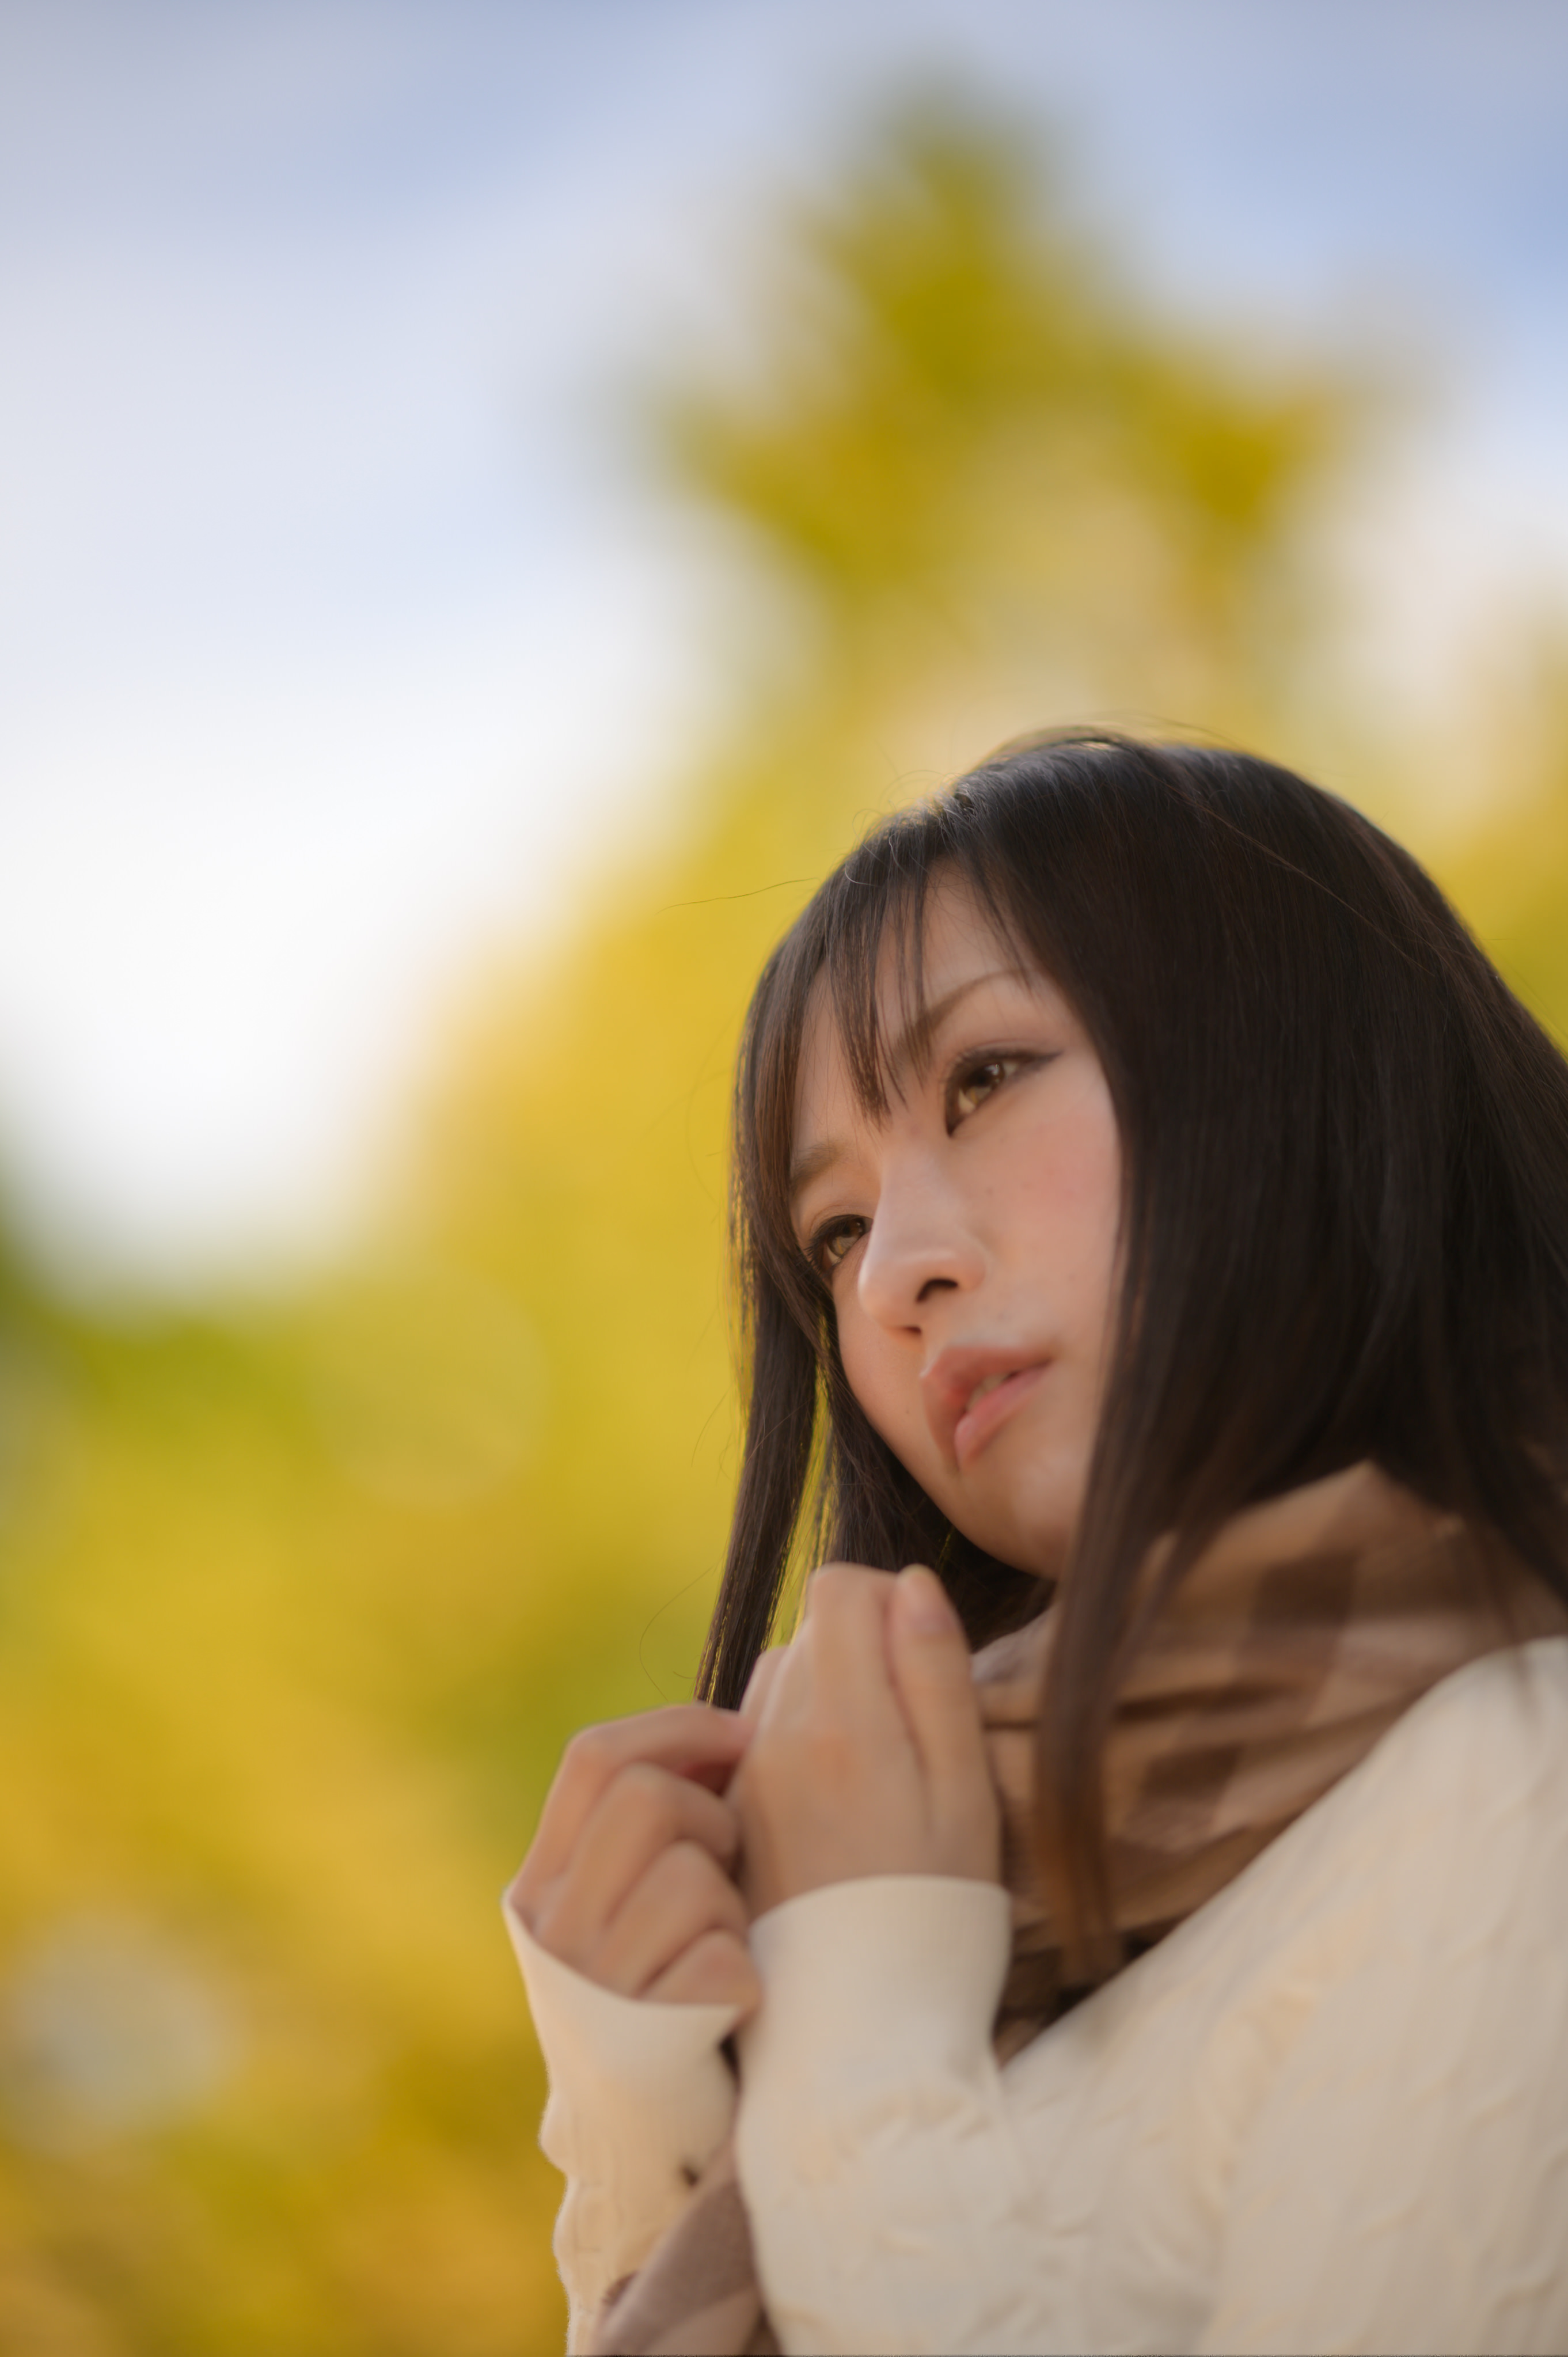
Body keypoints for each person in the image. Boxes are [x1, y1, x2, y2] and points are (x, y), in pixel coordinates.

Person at [505, 735, 1568, 2355]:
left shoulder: (1524, 1759)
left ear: (1297, 1056)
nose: (888, 1279)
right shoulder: (980, 1888)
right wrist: (650, 2113)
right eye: (835, 1229)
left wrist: (860, 1998)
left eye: (985, 1080)